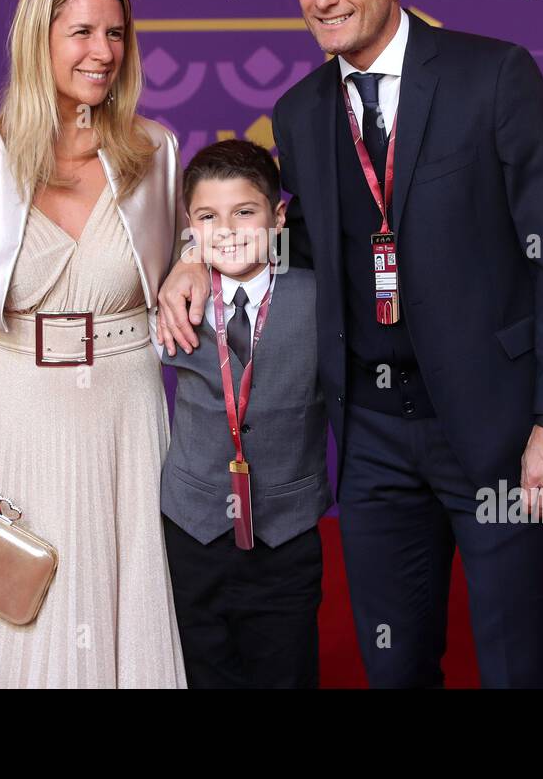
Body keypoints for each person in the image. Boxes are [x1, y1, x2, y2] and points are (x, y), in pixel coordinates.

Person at [159, 0, 543, 688]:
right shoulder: (298, 113)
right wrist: (196, 253)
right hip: (371, 441)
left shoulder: (491, 74)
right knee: (393, 667)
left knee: (519, 661)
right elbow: (298, 240)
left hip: (500, 430)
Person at [0, 0, 187, 688]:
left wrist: (192, 260)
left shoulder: (156, 151)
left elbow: (187, 255)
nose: (104, 51)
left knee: (125, 601)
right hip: (17, 412)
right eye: (83, 32)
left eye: (116, 34)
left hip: (127, 412)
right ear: (39, 39)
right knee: (11, 609)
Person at [160, 139, 332, 688]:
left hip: (287, 532)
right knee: (202, 670)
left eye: (245, 212)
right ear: (190, 226)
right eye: (208, 217)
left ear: (278, 216)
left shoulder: (321, 300)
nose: (228, 229)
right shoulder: (174, 301)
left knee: (286, 670)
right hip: (193, 529)